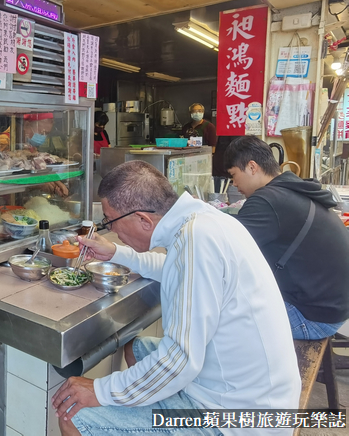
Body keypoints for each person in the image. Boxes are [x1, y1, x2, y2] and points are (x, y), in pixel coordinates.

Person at [53, 161, 300, 436]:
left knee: (74, 414)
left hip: (235, 418)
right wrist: (115, 252)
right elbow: (174, 268)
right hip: (252, 389)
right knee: (135, 350)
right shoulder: (203, 221)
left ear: (144, 220)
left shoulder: (197, 242)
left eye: (111, 222)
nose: (113, 231)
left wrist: (99, 391)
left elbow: (180, 360)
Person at [225, 136, 349, 340]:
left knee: (223, 317)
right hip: (333, 310)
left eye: (234, 175)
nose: (234, 184)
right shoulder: (292, 189)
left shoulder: (266, 200)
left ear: (252, 167)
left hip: (312, 318)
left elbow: (227, 247)